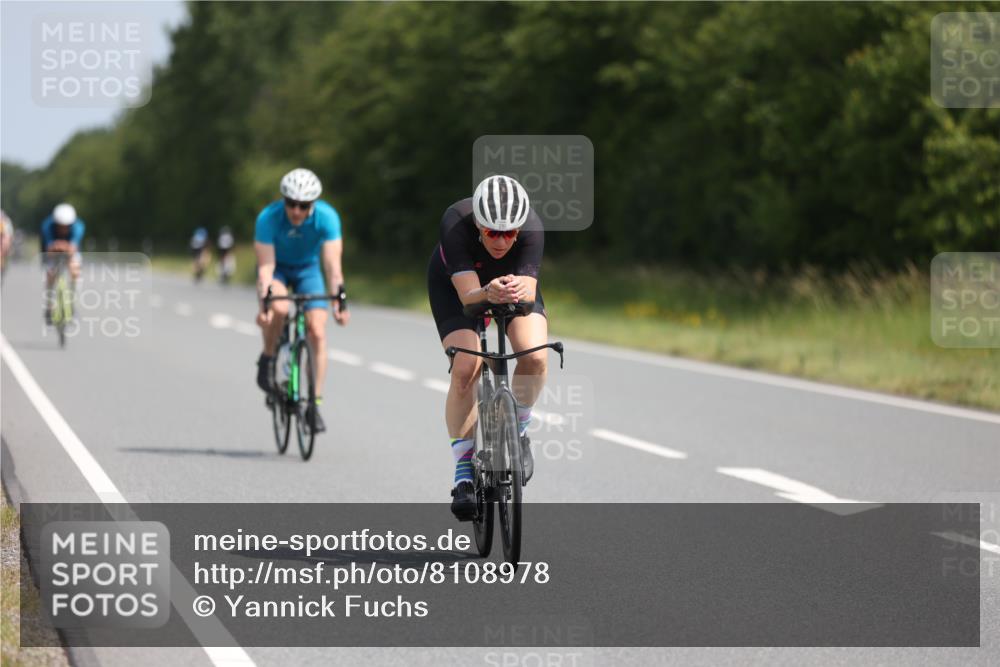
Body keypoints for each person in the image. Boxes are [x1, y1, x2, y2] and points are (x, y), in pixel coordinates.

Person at [427, 175, 548, 520]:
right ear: (478, 223)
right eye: (493, 231)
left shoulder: (533, 228)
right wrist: (487, 292)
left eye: (511, 232)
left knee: (535, 357)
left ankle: (520, 429)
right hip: (457, 289)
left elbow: (527, 287)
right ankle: (463, 471)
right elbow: (468, 297)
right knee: (467, 367)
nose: (502, 240)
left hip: (509, 286)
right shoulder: (455, 223)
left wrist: (509, 291)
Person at [254, 168, 349, 433]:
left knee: (317, 331)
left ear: (313, 204)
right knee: (280, 307)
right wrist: (265, 302)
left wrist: (339, 303)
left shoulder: (327, 218)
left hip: (308, 270)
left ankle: (313, 405)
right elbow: (265, 267)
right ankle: (269, 358)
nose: (296, 210)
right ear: (284, 200)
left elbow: (332, 266)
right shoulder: (268, 218)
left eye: (303, 205)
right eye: (291, 204)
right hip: (278, 269)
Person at [40, 203, 85, 323]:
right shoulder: (47, 226)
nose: (63, 229)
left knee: (75, 271)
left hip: (70, 251)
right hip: (51, 251)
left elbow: (73, 248)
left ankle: (71, 304)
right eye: (60, 226)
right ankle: (49, 307)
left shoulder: (78, 226)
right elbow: (49, 248)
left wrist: (64, 246)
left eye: (66, 226)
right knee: (50, 275)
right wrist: (56, 247)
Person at [0, 209, 13, 280]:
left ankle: (2, 270)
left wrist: (7, 246)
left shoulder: (6, 222)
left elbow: (7, 236)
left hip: (4, 238)